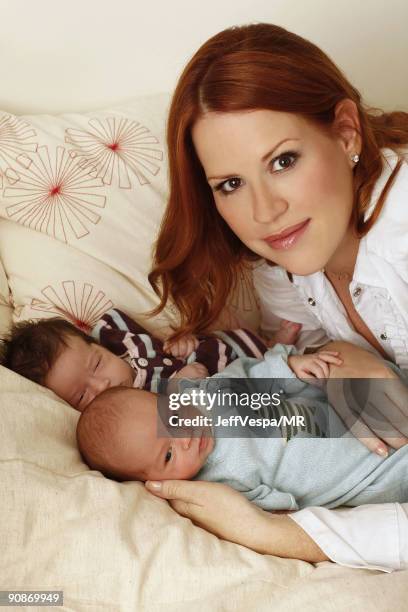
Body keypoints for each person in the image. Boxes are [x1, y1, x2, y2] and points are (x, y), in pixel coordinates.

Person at [146, 23, 408, 570]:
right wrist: (350, 361)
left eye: (283, 161)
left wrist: (273, 532)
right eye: (231, 185)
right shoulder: (284, 270)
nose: (264, 214)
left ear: (345, 132)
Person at [76, 351, 408, 511]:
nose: (186, 437)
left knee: (380, 388)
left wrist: (289, 367)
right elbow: (278, 511)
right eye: (168, 454)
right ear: (154, 483)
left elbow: (249, 375)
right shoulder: (218, 484)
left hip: (336, 409)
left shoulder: (202, 393)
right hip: (363, 474)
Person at [0, 307, 305, 410]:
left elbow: (157, 339)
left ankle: (271, 344)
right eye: (82, 395)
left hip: (213, 351)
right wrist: (179, 388)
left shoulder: (117, 339)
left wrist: (177, 341)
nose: (102, 383)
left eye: (97, 364)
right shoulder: (130, 410)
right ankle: (278, 357)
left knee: (223, 344)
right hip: (224, 385)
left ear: (96, 344)